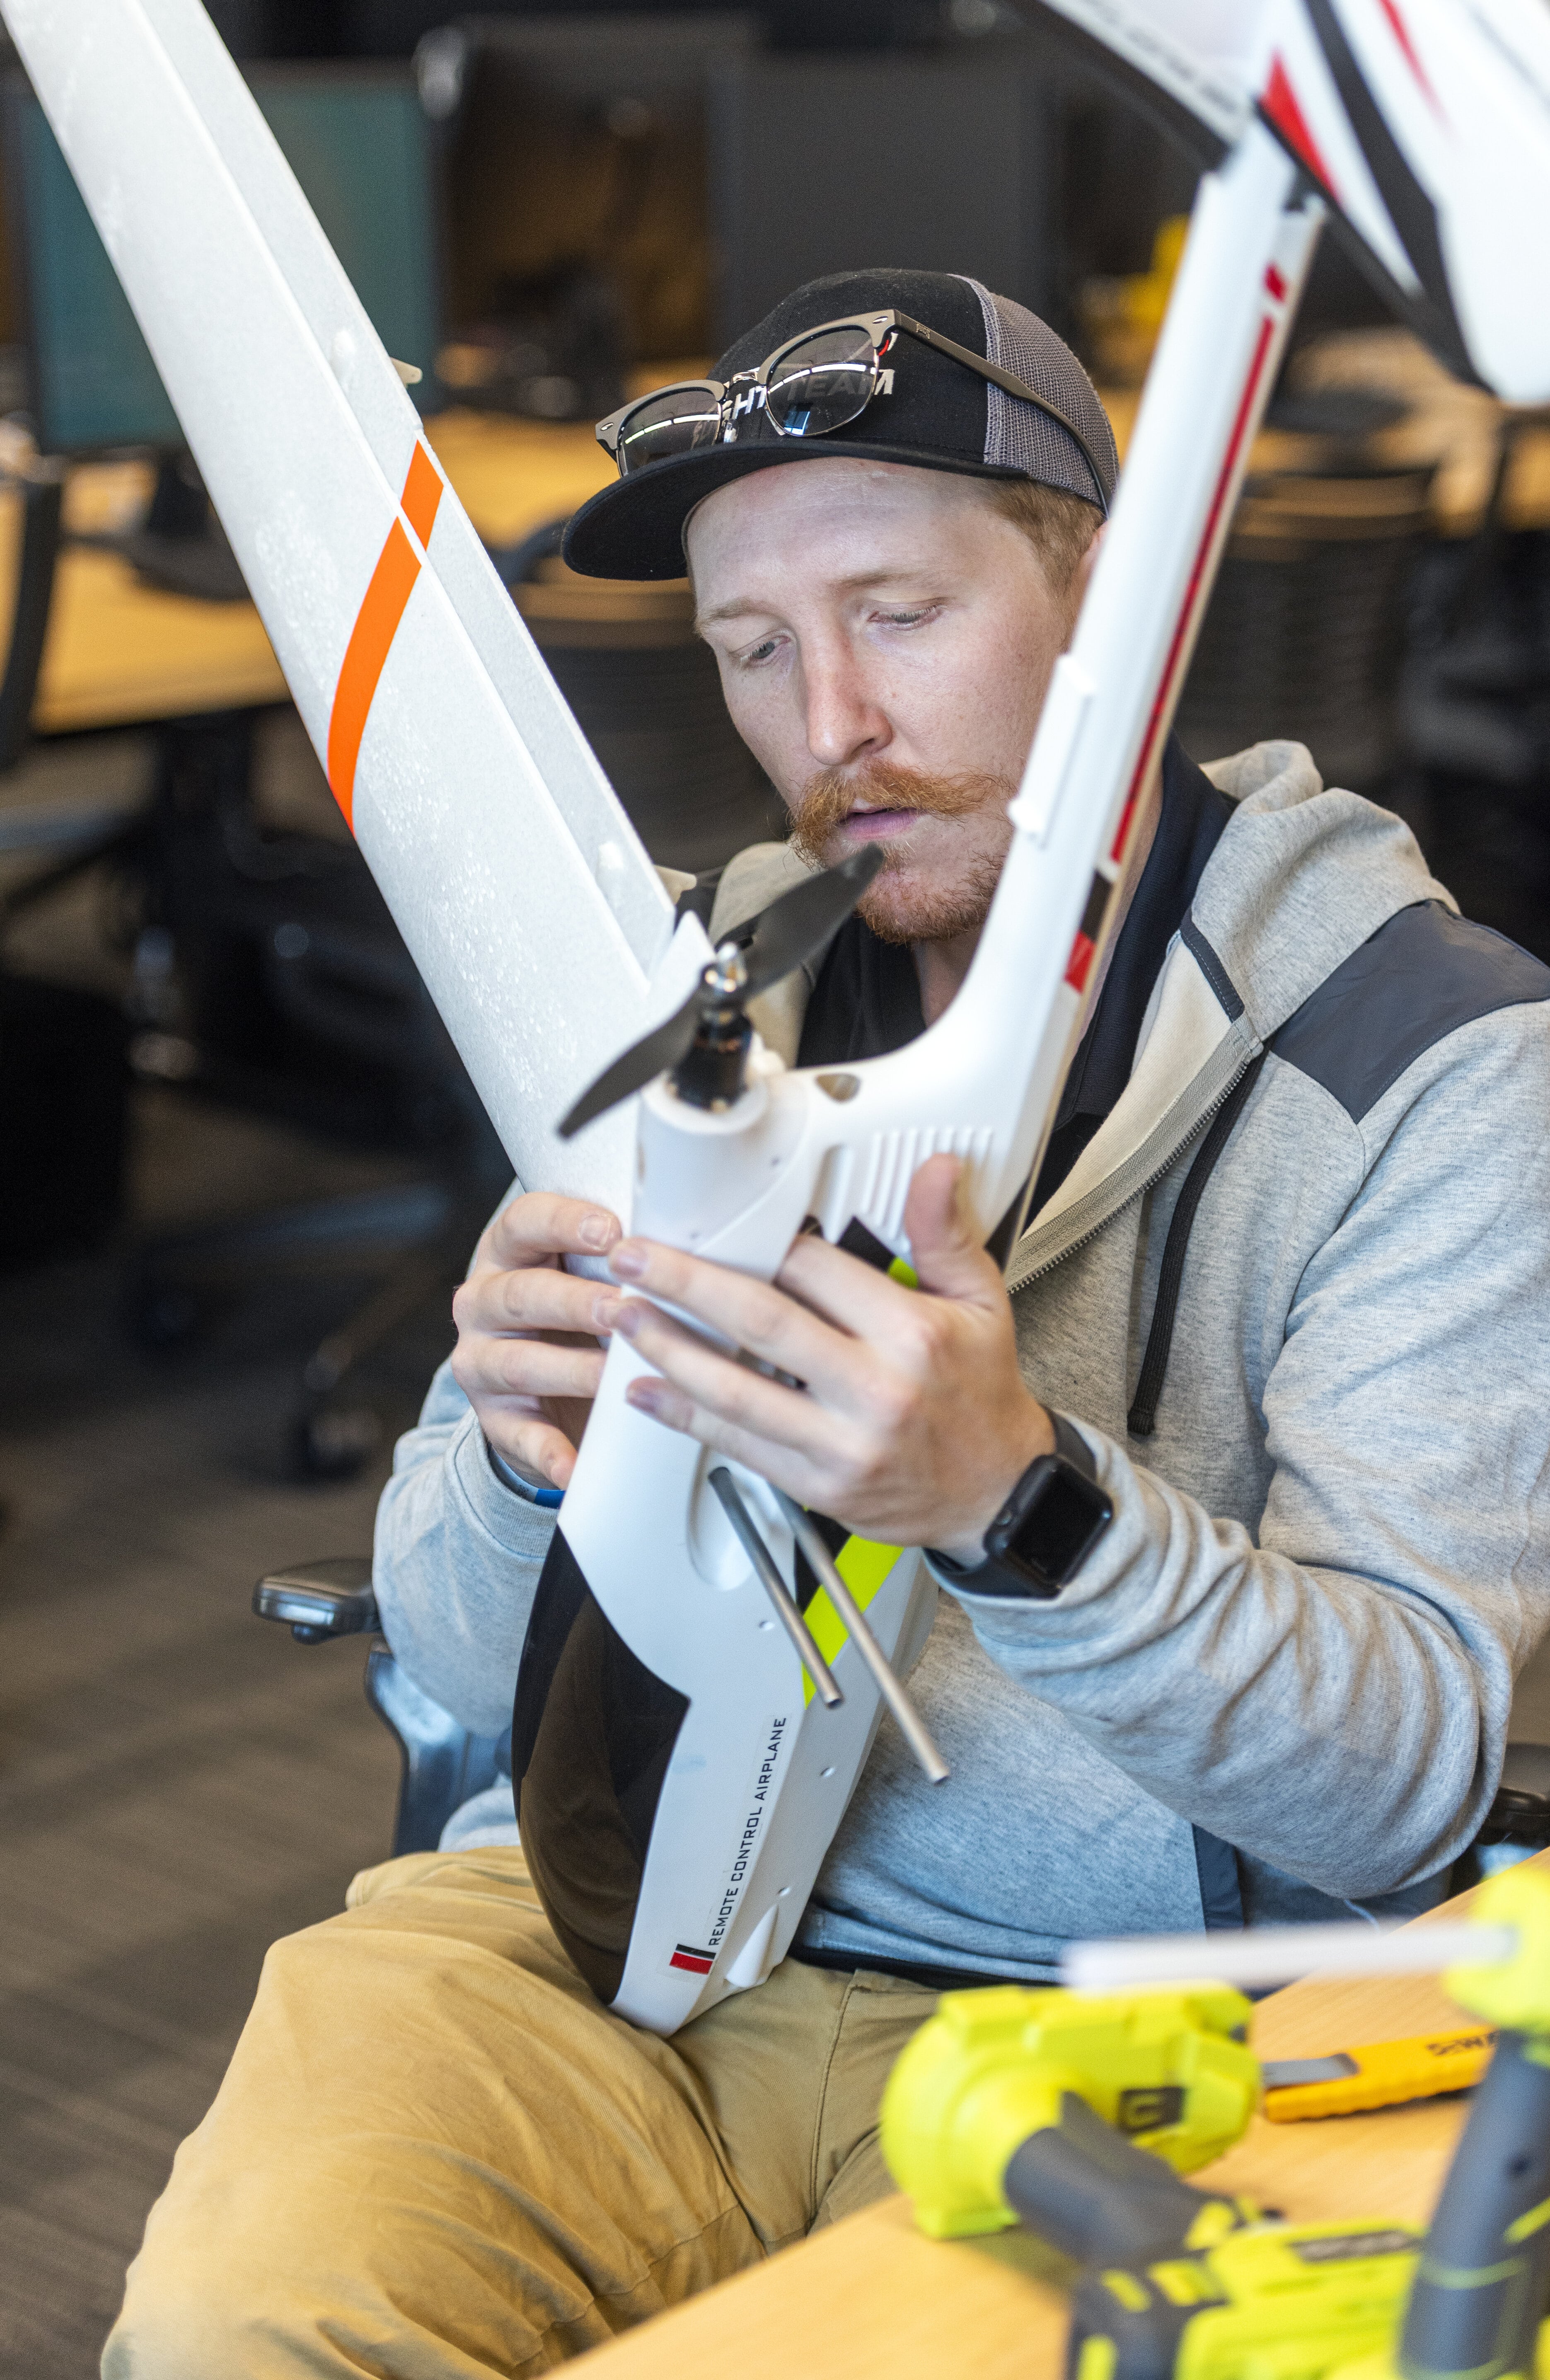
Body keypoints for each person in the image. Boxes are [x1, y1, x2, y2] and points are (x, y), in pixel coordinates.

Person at [106, 268, 1550, 2378]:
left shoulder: (1438, 1064)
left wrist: (1019, 1508)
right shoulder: (705, 992)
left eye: (899, 611)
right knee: (243, 2328)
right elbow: (433, 1634)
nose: (828, 729)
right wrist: (522, 1465)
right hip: (606, 1937)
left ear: (1102, 617)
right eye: (753, 651)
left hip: (1119, 2014)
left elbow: (1409, 1787)